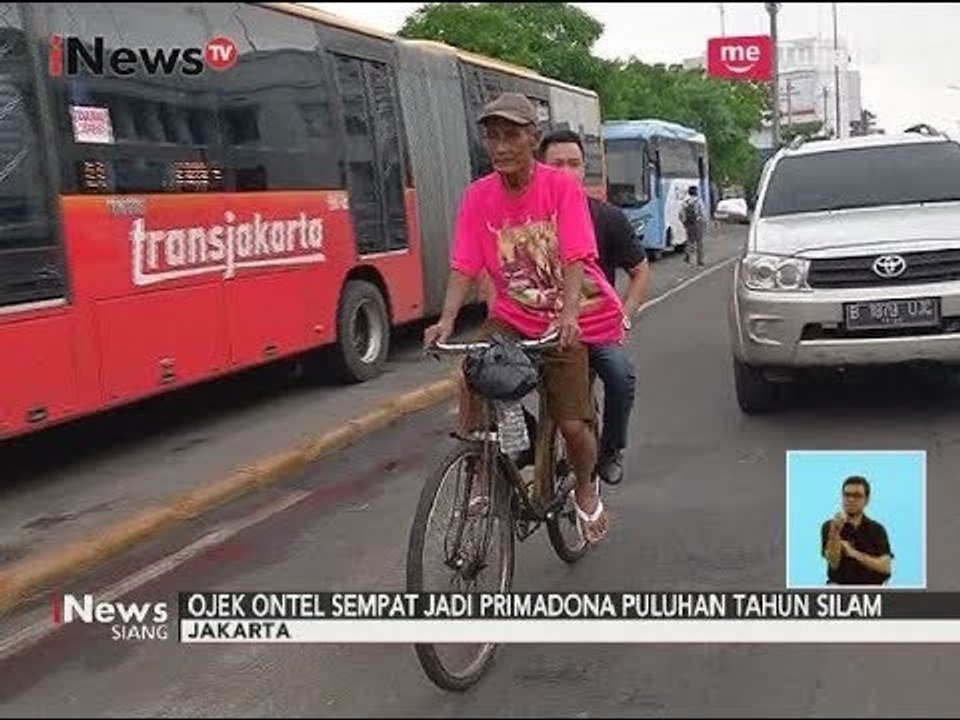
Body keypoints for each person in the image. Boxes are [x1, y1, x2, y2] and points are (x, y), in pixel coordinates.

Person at [423, 92, 625, 544]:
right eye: (492, 136)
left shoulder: (560, 186)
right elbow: (463, 264)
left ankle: (587, 488)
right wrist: (447, 320)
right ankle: (481, 471)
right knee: (470, 371)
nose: (500, 146)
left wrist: (570, 313)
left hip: (560, 320)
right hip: (513, 316)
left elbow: (575, 254)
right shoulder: (478, 196)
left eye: (511, 135)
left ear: (532, 139)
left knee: (574, 425)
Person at [538, 128, 650, 486]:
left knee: (620, 376)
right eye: (557, 164)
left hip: (595, 329)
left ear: (585, 169)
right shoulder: (530, 218)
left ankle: (611, 449)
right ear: (541, 168)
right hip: (540, 325)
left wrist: (625, 317)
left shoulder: (608, 218)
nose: (566, 171)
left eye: (574, 163)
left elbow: (640, 270)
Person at [821, 476, 893, 585]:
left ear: (866, 500)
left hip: (874, 591)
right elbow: (833, 562)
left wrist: (853, 553)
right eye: (847, 495)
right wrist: (835, 532)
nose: (851, 499)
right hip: (840, 589)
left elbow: (885, 567)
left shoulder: (877, 529)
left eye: (857, 496)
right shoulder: (830, 526)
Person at [679, 185, 706, 266]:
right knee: (699, 242)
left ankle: (688, 256)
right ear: (696, 192)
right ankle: (700, 260)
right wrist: (704, 222)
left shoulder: (685, 201)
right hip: (697, 223)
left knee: (690, 241)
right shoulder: (698, 201)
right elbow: (702, 212)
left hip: (689, 224)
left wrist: (684, 222)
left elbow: (680, 213)